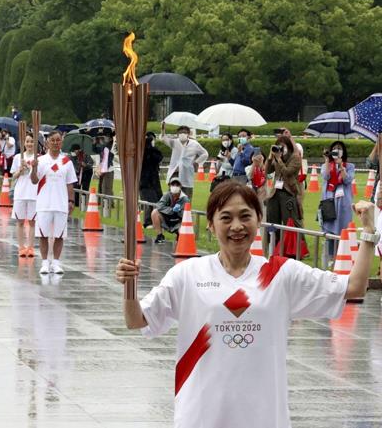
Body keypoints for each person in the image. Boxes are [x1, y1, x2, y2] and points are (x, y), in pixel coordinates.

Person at [115, 181, 375, 428]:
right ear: (211, 225)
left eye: (245, 216)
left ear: (258, 220)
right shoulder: (188, 274)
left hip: (262, 416)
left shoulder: (281, 274)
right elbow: (135, 320)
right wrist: (130, 287)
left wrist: (369, 232)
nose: (237, 226)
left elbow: (353, 287)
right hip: (201, 415)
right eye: (226, 218)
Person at [30, 130, 77, 274]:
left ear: (61, 142)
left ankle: (56, 263)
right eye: (53, 140)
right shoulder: (41, 160)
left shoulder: (67, 162)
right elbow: (33, 180)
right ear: (47, 143)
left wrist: (71, 201)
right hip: (44, 203)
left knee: (59, 235)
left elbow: (70, 184)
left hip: (61, 203)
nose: (55, 143)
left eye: (58, 140)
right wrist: (34, 167)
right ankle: (45, 263)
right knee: (43, 234)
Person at [320, 141, 355, 259]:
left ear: (343, 151)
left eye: (339, 149)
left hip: (343, 202)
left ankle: (343, 256)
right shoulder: (327, 165)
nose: (337, 151)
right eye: (334, 149)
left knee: (343, 229)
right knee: (329, 230)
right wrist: (326, 160)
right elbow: (326, 176)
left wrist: (341, 167)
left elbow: (347, 180)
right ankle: (330, 257)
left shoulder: (349, 166)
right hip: (329, 201)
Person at [266, 135, 303, 243]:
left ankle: (294, 247)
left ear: (288, 147)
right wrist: (270, 158)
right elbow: (268, 172)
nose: (280, 149)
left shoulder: (295, 158)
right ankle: (273, 244)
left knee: (290, 221)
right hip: (275, 191)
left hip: (288, 191)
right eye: (278, 147)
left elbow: (287, 172)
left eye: (283, 147)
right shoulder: (276, 158)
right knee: (272, 219)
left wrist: (278, 159)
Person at [160, 124, 209, 199]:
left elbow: (205, 154)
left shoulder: (194, 144)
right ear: (177, 134)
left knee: (186, 194)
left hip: (187, 172)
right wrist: (163, 130)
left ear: (188, 134)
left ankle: (186, 209)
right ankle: (171, 209)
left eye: (185, 132)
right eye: (180, 132)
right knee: (173, 194)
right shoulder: (175, 142)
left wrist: (196, 162)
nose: (182, 134)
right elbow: (164, 139)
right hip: (175, 173)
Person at [11, 134, 37, 257]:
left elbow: (39, 176)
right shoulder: (17, 157)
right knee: (20, 221)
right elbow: (13, 177)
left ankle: (30, 247)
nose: (29, 144)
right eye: (27, 141)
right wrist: (20, 170)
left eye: (32, 141)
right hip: (20, 193)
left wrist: (30, 167)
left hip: (33, 193)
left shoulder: (39, 158)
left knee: (32, 222)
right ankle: (21, 247)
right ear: (23, 143)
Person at [151, 177, 190, 244]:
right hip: (167, 219)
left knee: (182, 234)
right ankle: (160, 235)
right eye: (173, 185)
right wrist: (171, 210)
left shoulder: (185, 199)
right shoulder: (167, 195)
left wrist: (179, 211)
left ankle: (179, 235)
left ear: (180, 186)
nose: (175, 187)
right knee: (155, 212)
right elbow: (159, 206)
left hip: (178, 221)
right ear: (169, 186)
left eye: (177, 185)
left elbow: (186, 215)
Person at [140, 132, 163, 228]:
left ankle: (157, 220)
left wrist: (151, 148)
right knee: (149, 201)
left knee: (158, 199)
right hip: (144, 181)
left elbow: (158, 158)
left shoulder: (154, 151)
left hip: (154, 179)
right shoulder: (141, 151)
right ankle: (148, 221)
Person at [95, 129, 115, 209]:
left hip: (108, 169)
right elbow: (96, 150)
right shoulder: (104, 146)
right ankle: (105, 202)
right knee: (102, 186)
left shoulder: (110, 145)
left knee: (106, 187)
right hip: (102, 168)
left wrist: (101, 141)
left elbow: (108, 152)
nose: (104, 138)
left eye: (106, 136)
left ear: (110, 138)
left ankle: (108, 204)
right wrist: (95, 142)